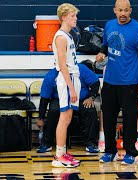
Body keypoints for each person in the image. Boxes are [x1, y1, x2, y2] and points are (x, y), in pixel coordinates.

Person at [96, 0, 138, 165]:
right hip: (110, 81)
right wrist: (102, 54)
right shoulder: (109, 25)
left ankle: (131, 152)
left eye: (126, 10)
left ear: (130, 11)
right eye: (120, 10)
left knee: (130, 119)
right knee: (108, 118)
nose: (123, 13)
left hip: (130, 82)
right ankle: (110, 151)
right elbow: (105, 45)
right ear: (114, 11)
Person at [36, 63, 100, 154]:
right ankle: (46, 143)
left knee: (90, 110)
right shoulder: (51, 75)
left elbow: (95, 83)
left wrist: (91, 98)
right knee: (53, 111)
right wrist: (41, 118)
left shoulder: (81, 69)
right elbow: (44, 98)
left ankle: (91, 144)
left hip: (81, 99)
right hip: (60, 99)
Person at [50, 3, 81, 168]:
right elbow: (62, 66)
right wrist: (71, 87)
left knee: (67, 118)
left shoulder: (68, 35)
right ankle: (59, 156)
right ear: (63, 17)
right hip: (67, 79)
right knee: (64, 118)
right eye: (72, 16)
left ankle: (62, 153)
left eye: (75, 16)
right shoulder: (61, 37)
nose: (75, 19)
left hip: (72, 78)